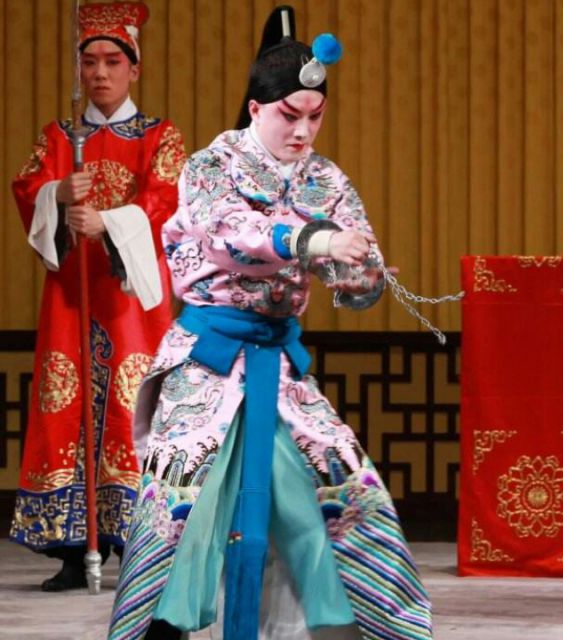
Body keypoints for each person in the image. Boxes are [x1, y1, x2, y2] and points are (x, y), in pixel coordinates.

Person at [108, 6, 432, 640]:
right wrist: (313, 240)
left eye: (315, 116)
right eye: (290, 115)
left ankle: (349, 625)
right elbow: (230, 235)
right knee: (187, 512)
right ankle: (162, 629)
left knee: (334, 490)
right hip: (207, 368)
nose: (303, 130)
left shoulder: (326, 179)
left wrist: (363, 273)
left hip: (279, 371)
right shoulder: (211, 165)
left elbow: (350, 270)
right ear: (256, 108)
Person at [10, 1, 187, 592]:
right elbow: (27, 185)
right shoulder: (60, 137)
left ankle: (139, 545)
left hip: (131, 303)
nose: (101, 73)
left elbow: (166, 199)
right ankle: (72, 547)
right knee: (68, 405)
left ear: (134, 68)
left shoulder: (160, 136)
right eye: (90, 62)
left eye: (113, 61)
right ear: (78, 69)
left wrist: (108, 223)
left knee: (131, 410)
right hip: (71, 298)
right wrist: (58, 194)